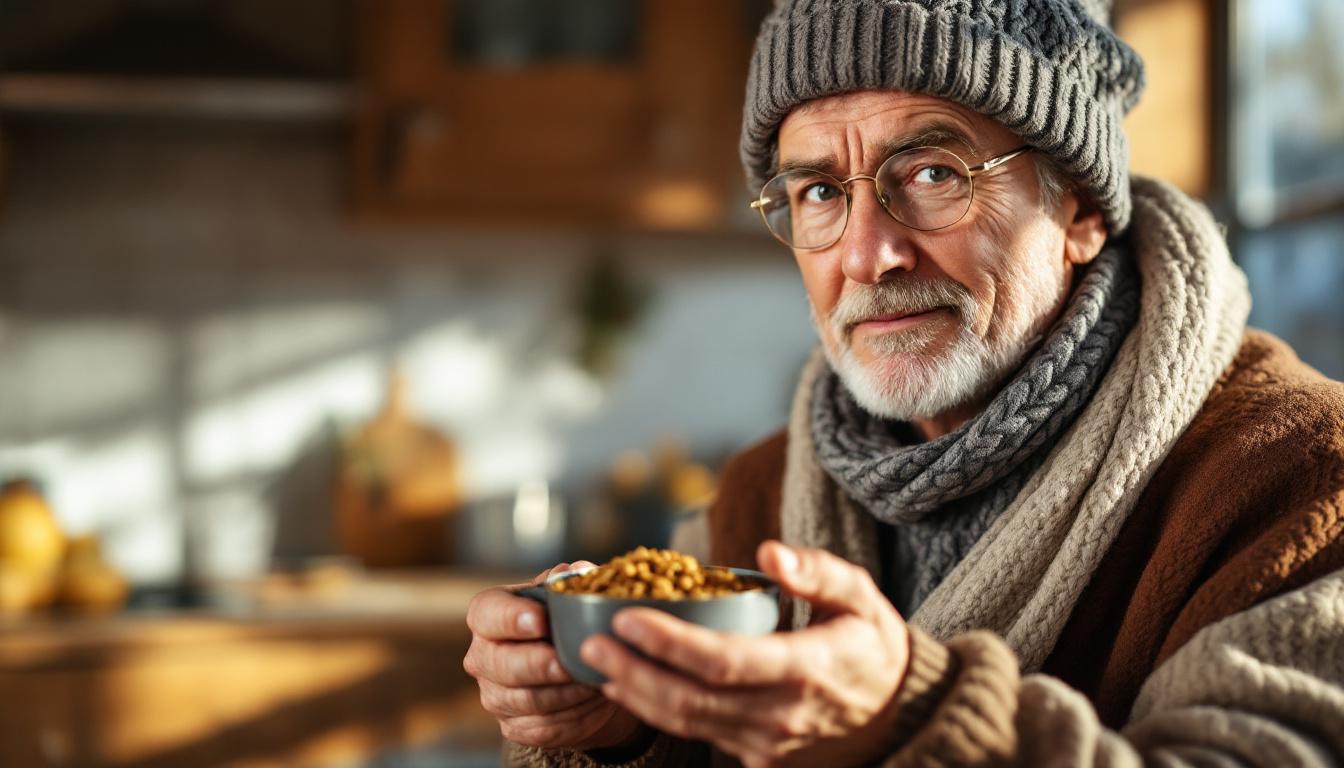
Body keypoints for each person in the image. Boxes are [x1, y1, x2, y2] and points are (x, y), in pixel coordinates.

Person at [465, 0, 1344, 765]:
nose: (865, 255)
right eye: (816, 192)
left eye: (931, 174)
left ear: (1076, 207)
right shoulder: (756, 497)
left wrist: (907, 721)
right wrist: (624, 732)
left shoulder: (1300, 477)